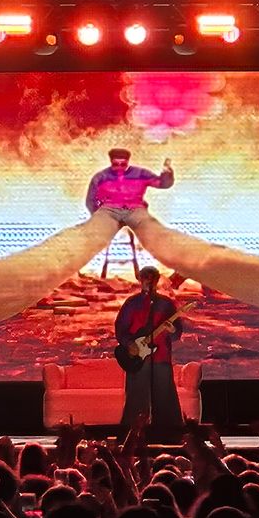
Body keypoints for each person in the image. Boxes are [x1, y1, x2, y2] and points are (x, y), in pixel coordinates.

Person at [115, 266, 185, 436]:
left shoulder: (166, 304)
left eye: (152, 277)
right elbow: (120, 329)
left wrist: (172, 331)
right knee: (136, 399)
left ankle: (170, 436)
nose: (149, 280)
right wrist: (129, 343)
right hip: (138, 358)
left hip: (161, 357)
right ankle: (131, 436)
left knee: (165, 397)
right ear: (140, 279)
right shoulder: (131, 303)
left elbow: (177, 333)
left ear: (157, 279)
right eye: (145, 277)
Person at [84, 148, 174, 225]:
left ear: (127, 162)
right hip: (109, 212)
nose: (119, 167)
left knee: (148, 229)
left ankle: (140, 243)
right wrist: (98, 215)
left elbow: (162, 184)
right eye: (116, 164)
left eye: (123, 164)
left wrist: (166, 172)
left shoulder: (140, 174)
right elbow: (90, 200)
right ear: (111, 162)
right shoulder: (101, 177)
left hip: (135, 211)